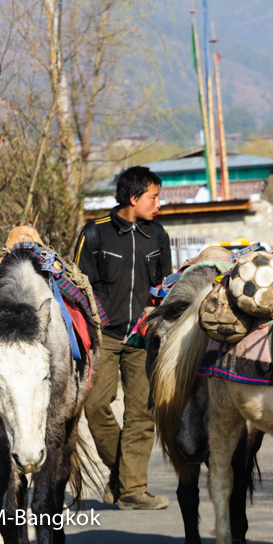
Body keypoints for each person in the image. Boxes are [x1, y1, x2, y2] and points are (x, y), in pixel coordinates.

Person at [75, 166, 173, 508]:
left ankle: (132, 490)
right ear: (133, 198)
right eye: (153, 197)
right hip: (103, 338)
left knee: (141, 412)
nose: (158, 203)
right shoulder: (95, 233)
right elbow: (77, 289)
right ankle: (122, 476)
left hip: (142, 339)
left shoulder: (157, 235)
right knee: (95, 405)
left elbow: (164, 286)